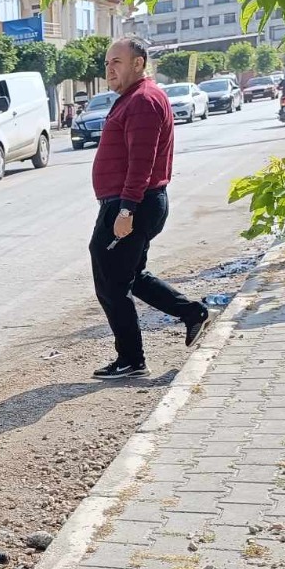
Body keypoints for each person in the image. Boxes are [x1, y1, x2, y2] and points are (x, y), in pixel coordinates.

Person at [87, 38, 211, 379]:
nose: (109, 69)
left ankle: (131, 359)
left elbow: (142, 162)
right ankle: (192, 313)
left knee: (111, 283)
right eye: (107, 63)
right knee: (131, 276)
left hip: (133, 205)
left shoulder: (142, 99)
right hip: (133, 203)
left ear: (139, 63)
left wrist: (126, 211)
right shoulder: (133, 98)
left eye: (117, 62)